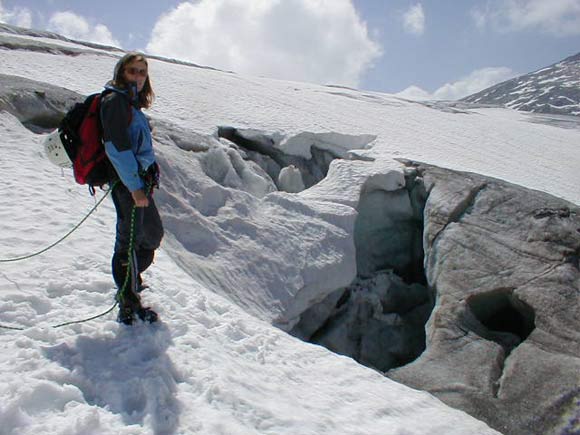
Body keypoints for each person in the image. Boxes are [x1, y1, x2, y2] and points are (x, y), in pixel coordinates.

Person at [100, 52, 164, 325]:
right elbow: (117, 149)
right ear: (121, 73)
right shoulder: (115, 101)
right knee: (129, 241)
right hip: (128, 184)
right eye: (132, 71)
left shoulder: (130, 104)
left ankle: (130, 284)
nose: (138, 76)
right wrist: (135, 187)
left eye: (142, 72)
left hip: (137, 182)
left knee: (150, 235)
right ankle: (127, 302)